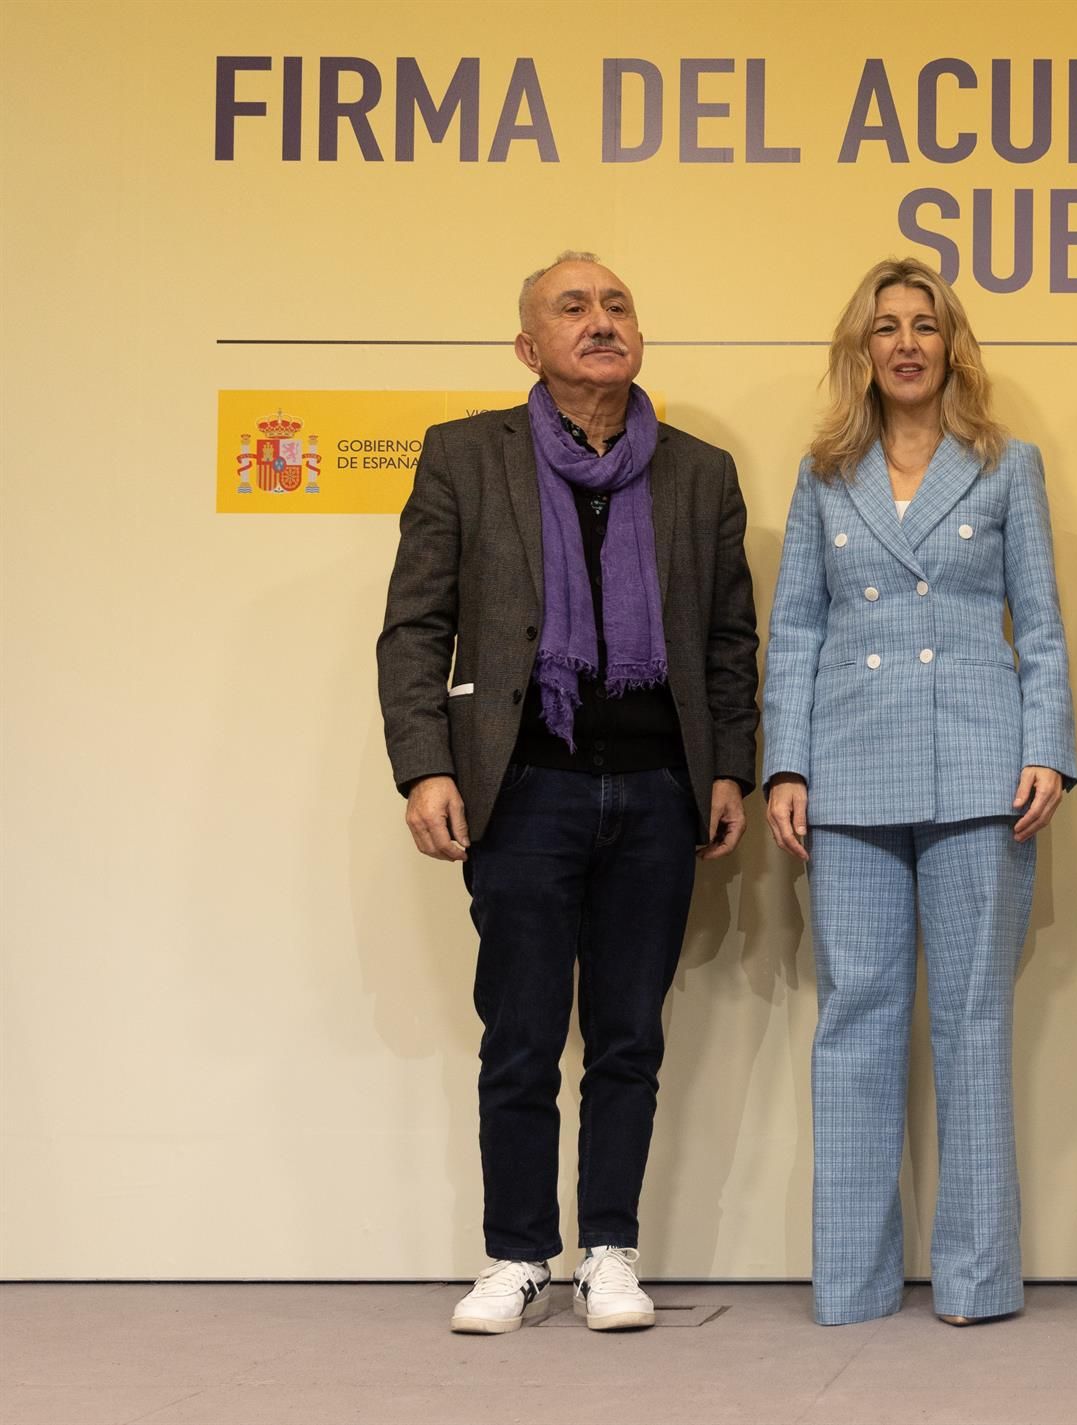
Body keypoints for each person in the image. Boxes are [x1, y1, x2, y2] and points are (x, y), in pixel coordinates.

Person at [376, 251, 759, 1334]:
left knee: (629, 1035)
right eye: (574, 308)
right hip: (524, 789)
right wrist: (425, 765)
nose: (602, 322)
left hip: (656, 792)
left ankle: (611, 1253)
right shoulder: (465, 457)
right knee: (523, 1035)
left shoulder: (699, 473)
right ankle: (514, 1254)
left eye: (618, 305)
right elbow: (416, 626)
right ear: (528, 347)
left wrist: (727, 762)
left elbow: (730, 641)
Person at [762, 257, 1076, 1327]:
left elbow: (1036, 623)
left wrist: (1048, 747)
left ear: (951, 347)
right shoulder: (822, 475)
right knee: (856, 1017)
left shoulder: (1005, 466)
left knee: (975, 1020)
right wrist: (786, 764)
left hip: (982, 763)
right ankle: (850, 1281)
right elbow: (796, 625)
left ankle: (979, 1280)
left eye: (925, 326)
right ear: (862, 350)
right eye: (886, 326)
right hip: (848, 770)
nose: (905, 342)